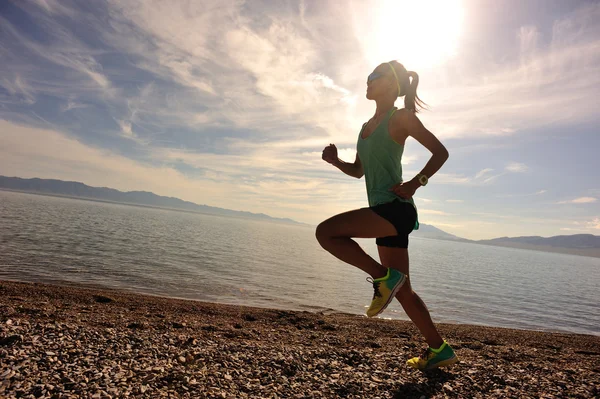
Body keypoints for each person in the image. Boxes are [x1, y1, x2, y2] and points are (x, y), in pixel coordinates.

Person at [316, 61, 458, 370]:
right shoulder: (366, 127)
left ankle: (382, 277)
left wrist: (415, 183)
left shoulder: (401, 118)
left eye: (374, 77)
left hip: (396, 209)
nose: (367, 82)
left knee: (325, 233)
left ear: (392, 85)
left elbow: (441, 152)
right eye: (366, 77)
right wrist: (336, 161)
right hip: (385, 214)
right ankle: (440, 349)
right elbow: (358, 171)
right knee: (404, 291)